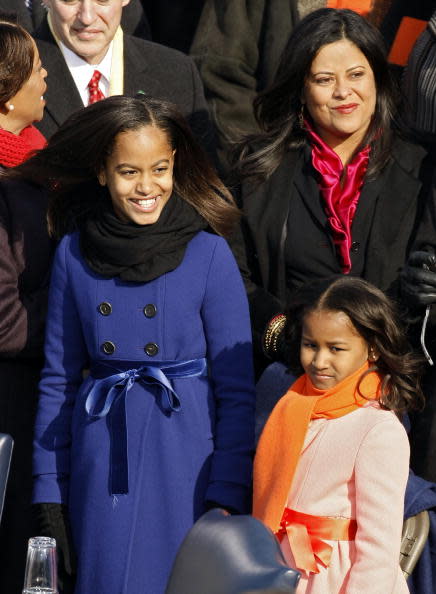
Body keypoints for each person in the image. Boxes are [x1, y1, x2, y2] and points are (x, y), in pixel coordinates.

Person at [11, 94, 255, 594]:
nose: (147, 187)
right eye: (128, 172)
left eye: (159, 169)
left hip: (188, 462)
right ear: (102, 172)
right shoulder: (73, 255)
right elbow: (57, 382)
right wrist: (49, 496)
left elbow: (236, 390)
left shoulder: (208, 253)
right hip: (101, 461)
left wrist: (227, 488)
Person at [230, 7, 433, 375]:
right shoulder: (257, 170)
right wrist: (284, 335)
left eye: (357, 75)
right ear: (301, 89)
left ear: (377, 79)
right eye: (324, 79)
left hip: (398, 383)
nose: (344, 92)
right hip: (293, 373)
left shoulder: (424, 165)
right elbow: (232, 276)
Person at [253, 275, 423, 593]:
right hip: (282, 567)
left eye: (336, 348)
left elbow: (378, 547)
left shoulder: (378, 429)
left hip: (336, 577)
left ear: (372, 349)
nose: (319, 361)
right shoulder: (292, 403)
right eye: (310, 345)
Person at [0, 17, 52, 594]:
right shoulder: (5, 187)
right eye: (35, 65)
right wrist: (73, 306)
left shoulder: (31, 167)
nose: (44, 75)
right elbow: (6, 323)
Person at [34, 0, 214, 155]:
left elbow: (201, 184)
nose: (87, 18)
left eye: (102, 0)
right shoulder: (14, 72)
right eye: (70, 0)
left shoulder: (177, 72)